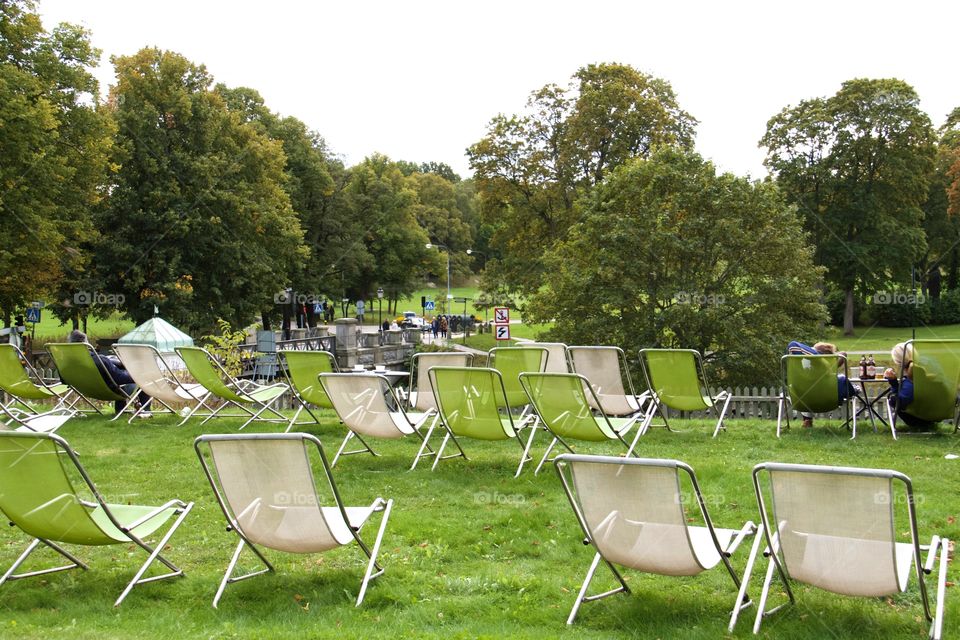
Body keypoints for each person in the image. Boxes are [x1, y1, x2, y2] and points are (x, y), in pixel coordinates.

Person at [68, 330, 151, 417]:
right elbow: (119, 378)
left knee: (117, 375)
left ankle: (121, 410)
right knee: (143, 376)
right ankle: (145, 411)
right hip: (111, 391)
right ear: (86, 344)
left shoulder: (69, 363)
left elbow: (64, 380)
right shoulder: (100, 360)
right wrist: (135, 372)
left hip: (87, 390)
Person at [785, 340, 855, 428]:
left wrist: (818, 357)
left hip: (802, 399)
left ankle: (807, 420)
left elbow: (792, 345)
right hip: (828, 402)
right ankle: (808, 420)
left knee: (806, 389)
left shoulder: (803, 371)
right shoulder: (832, 378)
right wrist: (826, 361)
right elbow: (843, 353)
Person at [883, 342, 937, 430]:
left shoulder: (910, 381)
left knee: (893, 399)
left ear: (899, 363)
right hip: (939, 411)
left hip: (919, 417)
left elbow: (899, 402)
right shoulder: (931, 365)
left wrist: (893, 382)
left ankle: (921, 426)